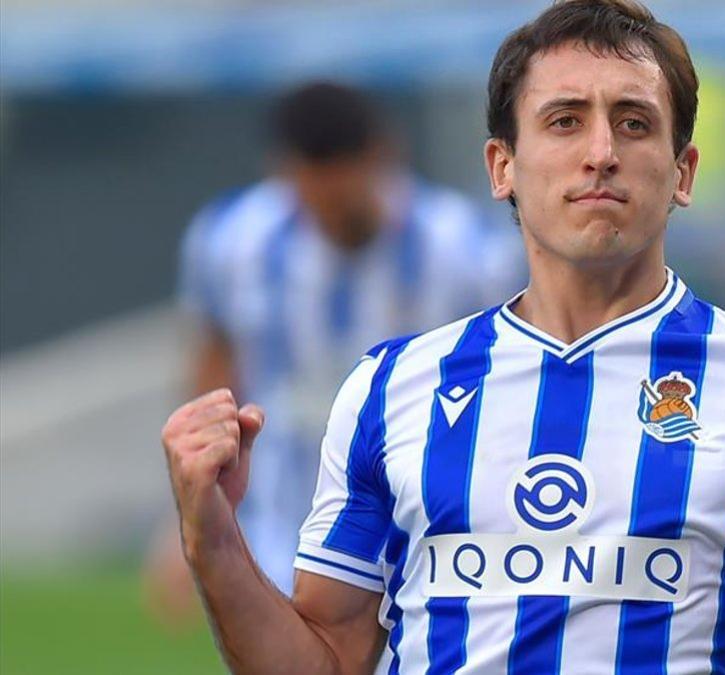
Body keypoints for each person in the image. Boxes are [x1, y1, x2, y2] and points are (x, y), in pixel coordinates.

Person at [159, 2, 725, 673]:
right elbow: (327, 657)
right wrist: (214, 542)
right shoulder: (389, 386)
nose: (601, 153)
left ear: (682, 173)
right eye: (565, 121)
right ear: (502, 166)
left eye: (634, 123)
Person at [145, 81, 522, 615]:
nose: (327, 196)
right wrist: (185, 517)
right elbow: (215, 363)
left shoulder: (465, 251)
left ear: (381, 157)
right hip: (283, 519)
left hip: (420, 524)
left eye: (341, 176)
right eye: (309, 178)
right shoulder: (231, 239)